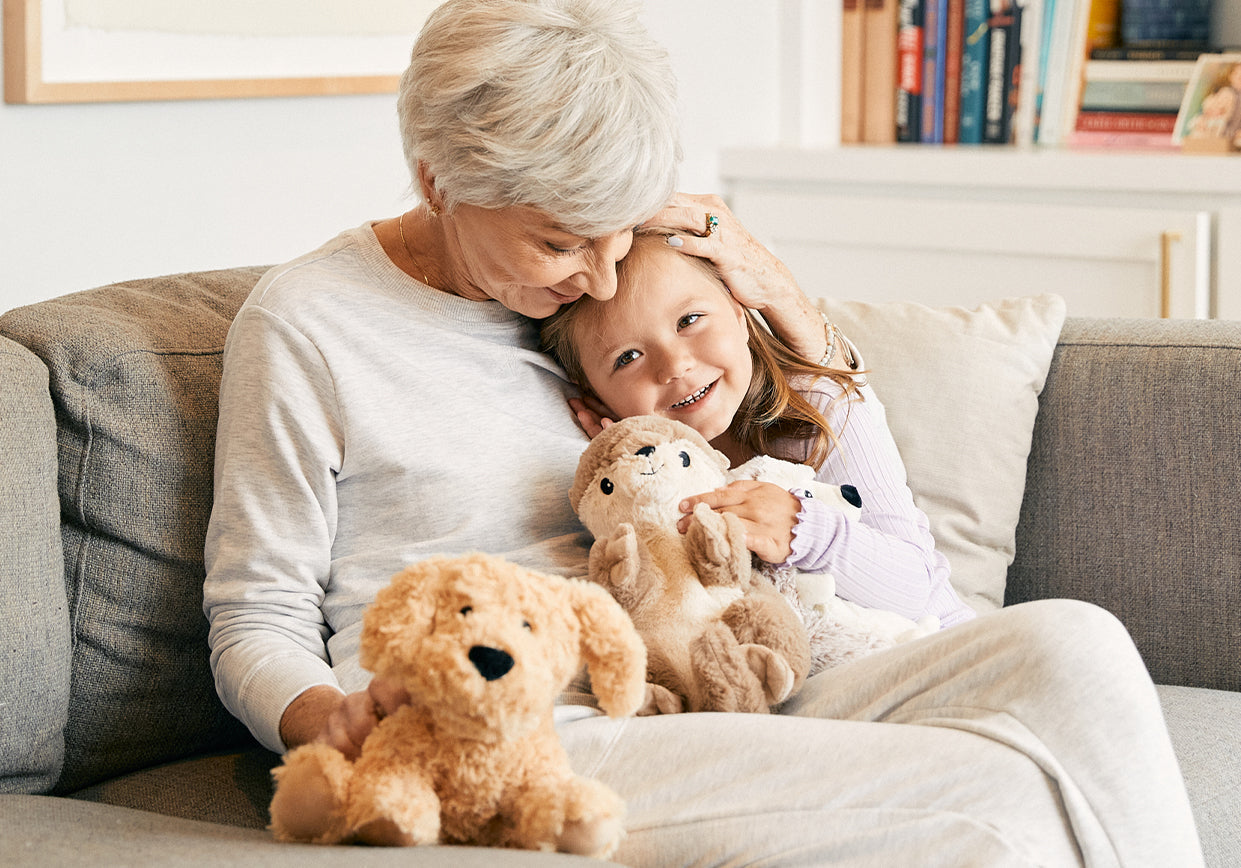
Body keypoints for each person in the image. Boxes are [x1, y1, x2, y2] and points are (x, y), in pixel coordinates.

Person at [203, 0, 1203, 863]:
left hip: (717, 673)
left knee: (1075, 643)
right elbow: (254, 617)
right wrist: (322, 719)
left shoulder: (602, 306)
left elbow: (830, 492)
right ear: (436, 182)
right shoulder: (309, 326)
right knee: (999, 806)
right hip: (540, 728)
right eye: (558, 242)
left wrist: (783, 303)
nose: (598, 280)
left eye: (611, 234)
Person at [540, 227, 975, 629]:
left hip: (940, 646)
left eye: (689, 320)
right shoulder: (632, 478)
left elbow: (921, 592)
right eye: (627, 357)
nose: (675, 365)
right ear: (596, 397)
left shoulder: (819, 407)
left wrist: (804, 530)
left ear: (738, 312)